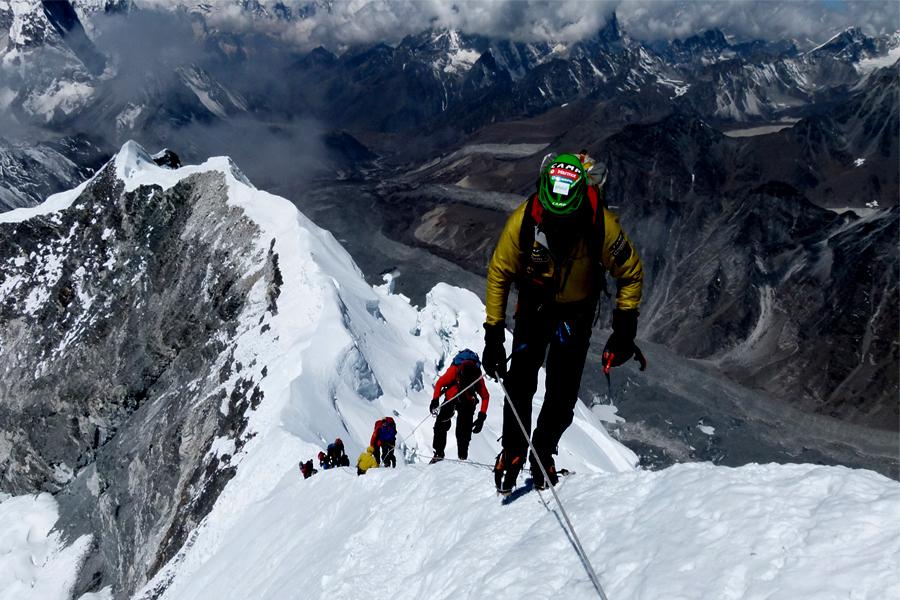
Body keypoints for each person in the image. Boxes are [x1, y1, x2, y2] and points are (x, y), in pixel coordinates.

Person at [482, 151, 644, 493]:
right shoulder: (527, 221)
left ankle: (540, 449)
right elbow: (500, 272)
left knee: (562, 391)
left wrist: (625, 327)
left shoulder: (599, 223)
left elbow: (630, 272)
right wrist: (493, 334)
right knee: (521, 382)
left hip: (568, 311)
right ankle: (514, 450)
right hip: (540, 308)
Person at [429, 349, 490, 462]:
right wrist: (435, 400)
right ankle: (439, 453)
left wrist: (482, 417)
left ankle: (462, 456)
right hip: (452, 397)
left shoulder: (477, 376)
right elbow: (440, 383)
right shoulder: (454, 370)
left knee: (463, 429)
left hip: (467, 400)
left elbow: (485, 396)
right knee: (441, 425)